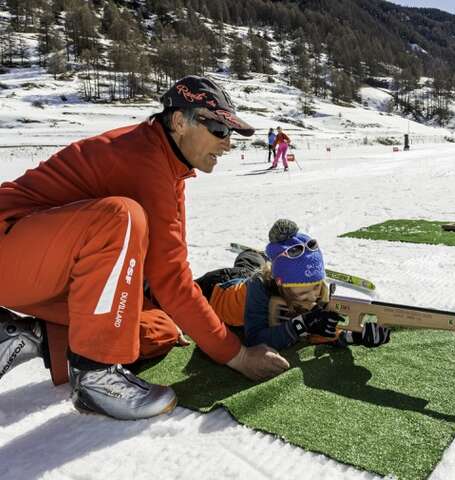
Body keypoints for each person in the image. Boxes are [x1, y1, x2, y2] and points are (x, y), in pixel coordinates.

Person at [0, 75, 289, 421]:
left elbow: (169, 267)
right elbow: (171, 279)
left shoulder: (168, 164)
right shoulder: (143, 161)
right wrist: (237, 356)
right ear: (180, 122)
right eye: (219, 130)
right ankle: (95, 374)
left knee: (159, 330)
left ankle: (26, 335)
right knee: (121, 218)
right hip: (11, 243)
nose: (227, 144)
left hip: (46, 266)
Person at [194, 219, 391, 350]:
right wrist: (301, 324)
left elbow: (324, 331)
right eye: (304, 288)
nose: (313, 295)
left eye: (316, 285)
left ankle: (260, 258)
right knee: (173, 297)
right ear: (282, 283)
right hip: (219, 287)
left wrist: (357, 336)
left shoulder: (318, 292)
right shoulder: (259, 289)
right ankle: (257, 257)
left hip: (260, 273)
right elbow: (254, 339)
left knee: (254, 262)